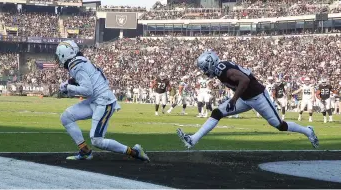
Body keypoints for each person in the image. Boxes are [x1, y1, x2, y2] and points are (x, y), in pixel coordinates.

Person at [176, 51, 319, 149]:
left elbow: (244, 80)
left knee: (279, 125)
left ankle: (308, 131)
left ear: (210, 64)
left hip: (257, 97)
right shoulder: (220, 69)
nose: (204, 71)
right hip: (245, 98)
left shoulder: (223, 70)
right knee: (217, 112)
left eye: (204, 68)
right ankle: (193, 139)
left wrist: (233, 99)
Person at [56, 40, 150, 161]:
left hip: (103, 102)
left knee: (97, 140)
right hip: (95, 100)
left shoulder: (75, 65)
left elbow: (87, 90)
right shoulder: (81, 61)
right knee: (66, 117)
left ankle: (134, 152)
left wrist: (68, 88)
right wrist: (70, 83)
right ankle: (85, 151)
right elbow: (89, 80)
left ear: (64, 54)